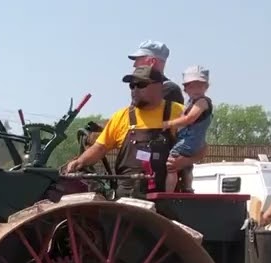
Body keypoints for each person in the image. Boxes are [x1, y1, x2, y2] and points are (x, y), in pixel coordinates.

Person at [62, 66, 184, 198]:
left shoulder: (180, 113)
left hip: (166, 198)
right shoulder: (121, 117)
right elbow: (100, 147)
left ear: (159, 86)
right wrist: (79, 162)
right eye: (132, 86)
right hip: (126, 200)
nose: (135, 90)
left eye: (141, 85)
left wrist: (182, 161)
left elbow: (200, 149)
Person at [161, 65, 213, 191]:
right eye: (192, 86)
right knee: (187, 166)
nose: (196, 89)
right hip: (192, 140)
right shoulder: (190, 102)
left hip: (191, 140)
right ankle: (188, 188)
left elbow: (189, 119)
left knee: (171, 163)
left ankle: (168, 193)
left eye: (200, 85)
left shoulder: (202, 102)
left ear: (206, 87)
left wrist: (168, 123)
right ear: (185, 89)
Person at [128, 41, 185, 107]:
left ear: (152, 62)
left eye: (138, 60)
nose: (134, 65)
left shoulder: (169, 89)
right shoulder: (140, 88)